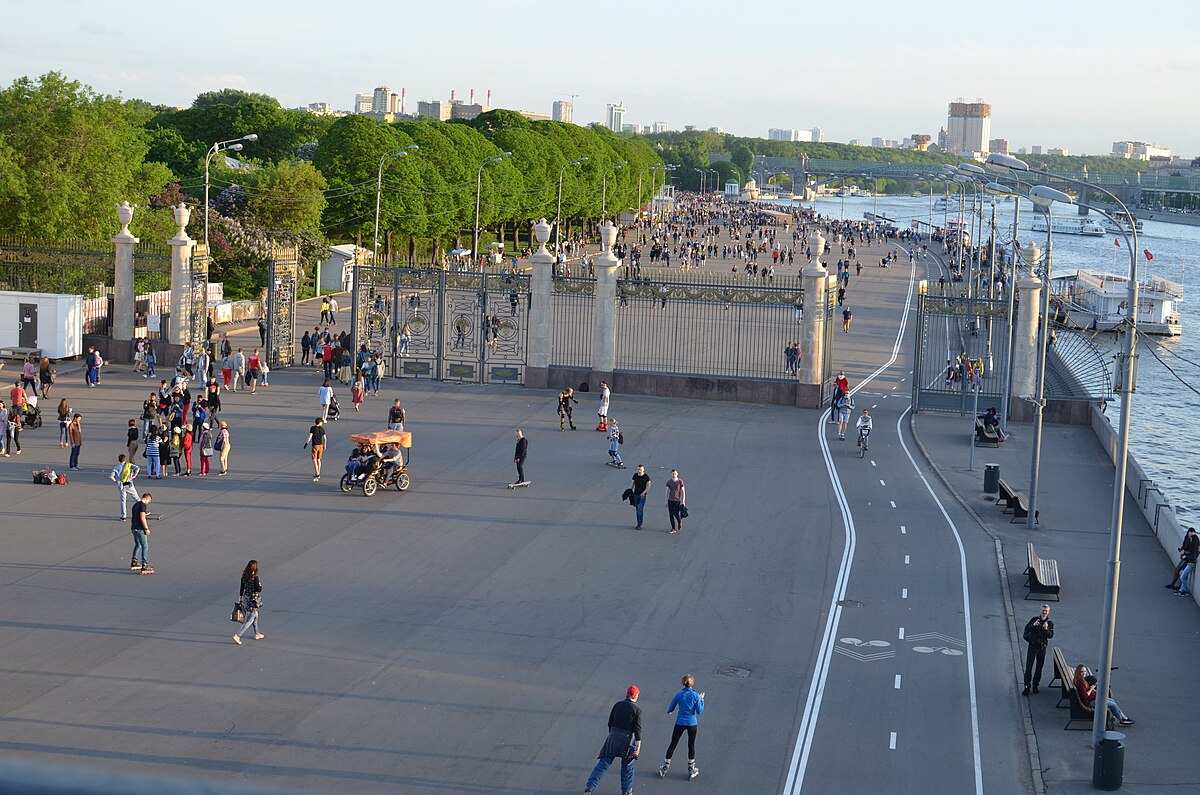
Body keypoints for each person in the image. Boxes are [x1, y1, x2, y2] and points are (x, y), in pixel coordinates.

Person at [583, 685, 642, 795]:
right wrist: (638, 747)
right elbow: (637, 730)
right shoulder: (637, 710)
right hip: (628, 741)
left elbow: (610, 723)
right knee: (627, 768)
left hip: (613, 737)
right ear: (636, 696)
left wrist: (613, 735)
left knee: (603, 764)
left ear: (627, 694)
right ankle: (627, 791)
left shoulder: (617, 705)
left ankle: (589, 788)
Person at [659, 674, 705, 780]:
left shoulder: (679, 694)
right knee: (691, 745)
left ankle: (665, 766)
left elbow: (671, 708)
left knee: (673, 744)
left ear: (682, 683)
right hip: (692, 723)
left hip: (680, 723)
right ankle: (691, 768)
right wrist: (702, 701)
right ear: (692, 683)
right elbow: (699, 711)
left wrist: (669, 711)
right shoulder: (696, 695)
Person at [1021, 604, 1054, 695]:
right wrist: (1033, 625)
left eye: (1046, 611)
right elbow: (1027, 628)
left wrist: (1046, 629)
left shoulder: (1050, 623)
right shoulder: (1034, 619)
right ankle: (1027, 686)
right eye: (1043, 610)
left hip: (1042, 648)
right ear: (1040, 611)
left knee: (1039, 668)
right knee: (1029, 667)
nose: (1044, 612)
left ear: (1048, 612)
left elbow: (1050, 635)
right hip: (1032, 646)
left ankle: (1035, 685)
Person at [232, 559, 265, 644]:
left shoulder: (244, 576)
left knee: (255, 615)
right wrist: (260, 584)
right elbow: (259, 589)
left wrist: (241, 598)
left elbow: (241, 588)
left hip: (246, 599)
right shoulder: (255, 577)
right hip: (253, 600)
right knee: (250, 619)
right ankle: (238, 635)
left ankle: (257, 633)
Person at [110, 453, 141, 521]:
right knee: (137, 498)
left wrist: (116, 481)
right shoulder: (129, 465)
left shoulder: (116, 467)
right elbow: (137, 468)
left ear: (119, 460)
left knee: (123, 501)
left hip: (121, 486)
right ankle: (142, 510)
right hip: (129, 484)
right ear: (125, 459)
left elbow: (111, 476)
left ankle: (123, 516)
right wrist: (134, 476)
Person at [129, 492, 153, 572]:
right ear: (147, 498)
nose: (148, 503)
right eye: (149, 501)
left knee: (137, 544)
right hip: (140, 529)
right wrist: (146, 529)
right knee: (145, 545)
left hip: (133, 528)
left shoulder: (136, 505)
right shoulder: (143, 506)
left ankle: (134, 561)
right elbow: (142, 518)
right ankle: (144, 563)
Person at [303, 417, 326, 482]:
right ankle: (318, 473)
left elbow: (310, 436)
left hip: (315, 446)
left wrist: (306, 443)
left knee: (314, 460)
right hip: (320, 445)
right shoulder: (322, 429)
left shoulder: (312, 428)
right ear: (320, 422)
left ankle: (317, 473)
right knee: (319, 459)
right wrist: (325, 445)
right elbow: (325, 438)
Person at [666, 468, 686, 534]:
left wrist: (683, 501)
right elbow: (667, 492)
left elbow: (683, 492)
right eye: (672, 474)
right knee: (671, 514)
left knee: (676, 514)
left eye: (675, 474)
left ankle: (679, 522)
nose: (673, 475)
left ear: (677, 474)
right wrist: (666, 501)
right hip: (670, 500)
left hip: (677, 500)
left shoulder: (680, 481)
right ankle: (673, 528)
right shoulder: (669, 482)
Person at [631, 464, 650, 530]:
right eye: (638, 469)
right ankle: (640, 521)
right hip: (636, 495)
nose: (639, 471)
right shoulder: (635, 475)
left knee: (640, 509)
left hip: (642, 496)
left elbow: (649, 485)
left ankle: (639, 524)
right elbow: (633, 483)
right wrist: (630, 490)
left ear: (643, 470)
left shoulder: (646, 477)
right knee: (637, 509)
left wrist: (644, 493)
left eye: (641, 470)